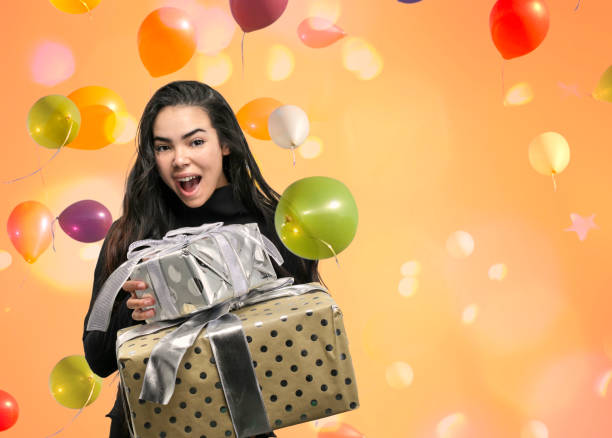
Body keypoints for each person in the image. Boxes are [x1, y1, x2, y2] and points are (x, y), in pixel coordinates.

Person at [82, 81, 325, 438]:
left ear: (225, 143)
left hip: (244, 426)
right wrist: (130, 313)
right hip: (149, 428)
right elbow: (98, 360)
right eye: (164, 147)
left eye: (195, 141)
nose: (180, 159)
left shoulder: (273, 228)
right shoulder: (133, 235)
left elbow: (307, 340)